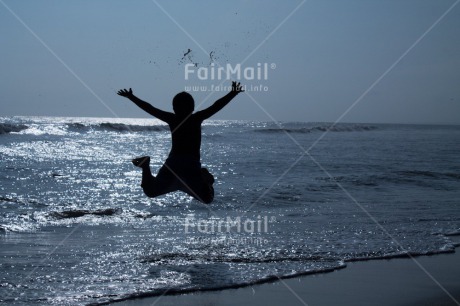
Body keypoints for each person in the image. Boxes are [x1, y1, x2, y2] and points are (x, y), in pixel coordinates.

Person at [117, 81, 244, 204]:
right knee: (207, 199)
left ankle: (145, 166)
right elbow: (216, 106)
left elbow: (150, 109)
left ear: (173, 108)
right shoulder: (196, 118)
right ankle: (207, 180)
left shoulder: (172, 118)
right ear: (193, 107)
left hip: (173, 164)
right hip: (191, 165)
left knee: (150, 192)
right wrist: (233, 93)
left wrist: (131, 97)